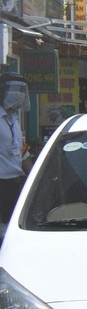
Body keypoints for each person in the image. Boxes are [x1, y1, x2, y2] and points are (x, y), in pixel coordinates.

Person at [0, 72, 31, 225]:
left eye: (21, 90)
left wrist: (34, 175)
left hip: (17, 184)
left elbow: (22, 152)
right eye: (14, 89)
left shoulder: (14, 119)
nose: (19, 94)